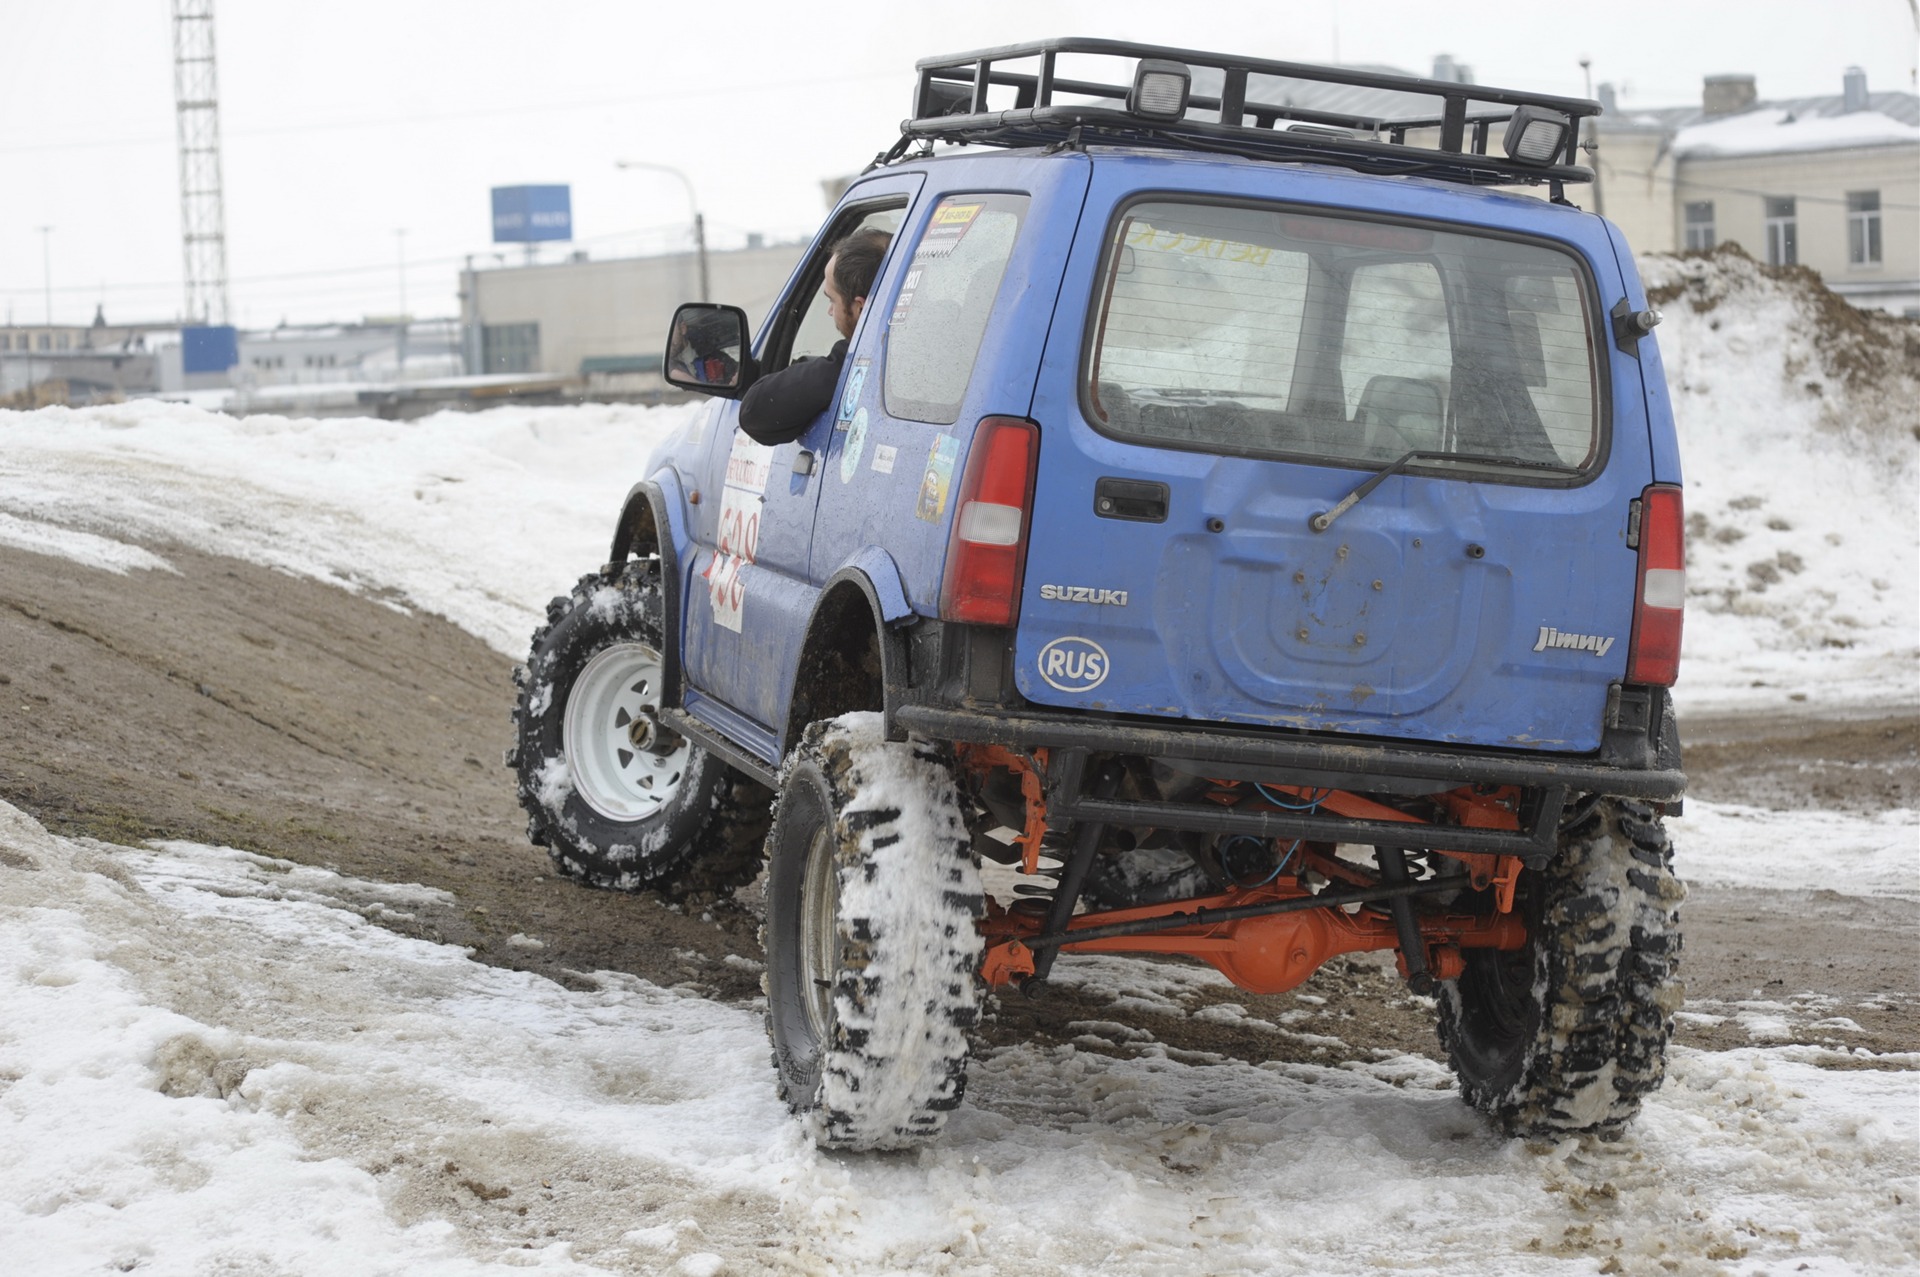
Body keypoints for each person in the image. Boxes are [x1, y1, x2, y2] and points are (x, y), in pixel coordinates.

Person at [738, 228, 891, 445]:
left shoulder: (853, 366)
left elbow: (754, 412)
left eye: (832, 300)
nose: (830, 312)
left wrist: (839, 362)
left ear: (860, 308)